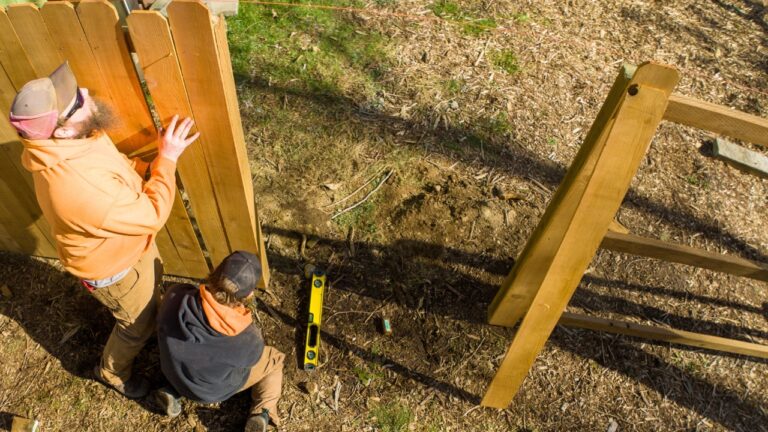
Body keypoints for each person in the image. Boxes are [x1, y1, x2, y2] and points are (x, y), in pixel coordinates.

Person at [8, 61, 199, 398]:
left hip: (128, 246)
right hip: (115, 269)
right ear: (61, 130)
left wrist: (147, 169)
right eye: (77, 102)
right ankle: (112, 373)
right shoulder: (80, 187)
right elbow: (152, 214)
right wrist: (167, 160)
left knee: (148, 299)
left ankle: (147, 307)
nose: (85, 93)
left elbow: (115, 165)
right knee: (136, 326)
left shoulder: (73, 141)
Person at [155, 251, 284, 432]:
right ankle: (263, 412)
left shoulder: (175, 295)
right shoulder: (248, 339)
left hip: (173, 371)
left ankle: (173, 390)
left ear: (215, 271)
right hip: (210, 392)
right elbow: (250, 361)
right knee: (274, 359)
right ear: (248, 295)